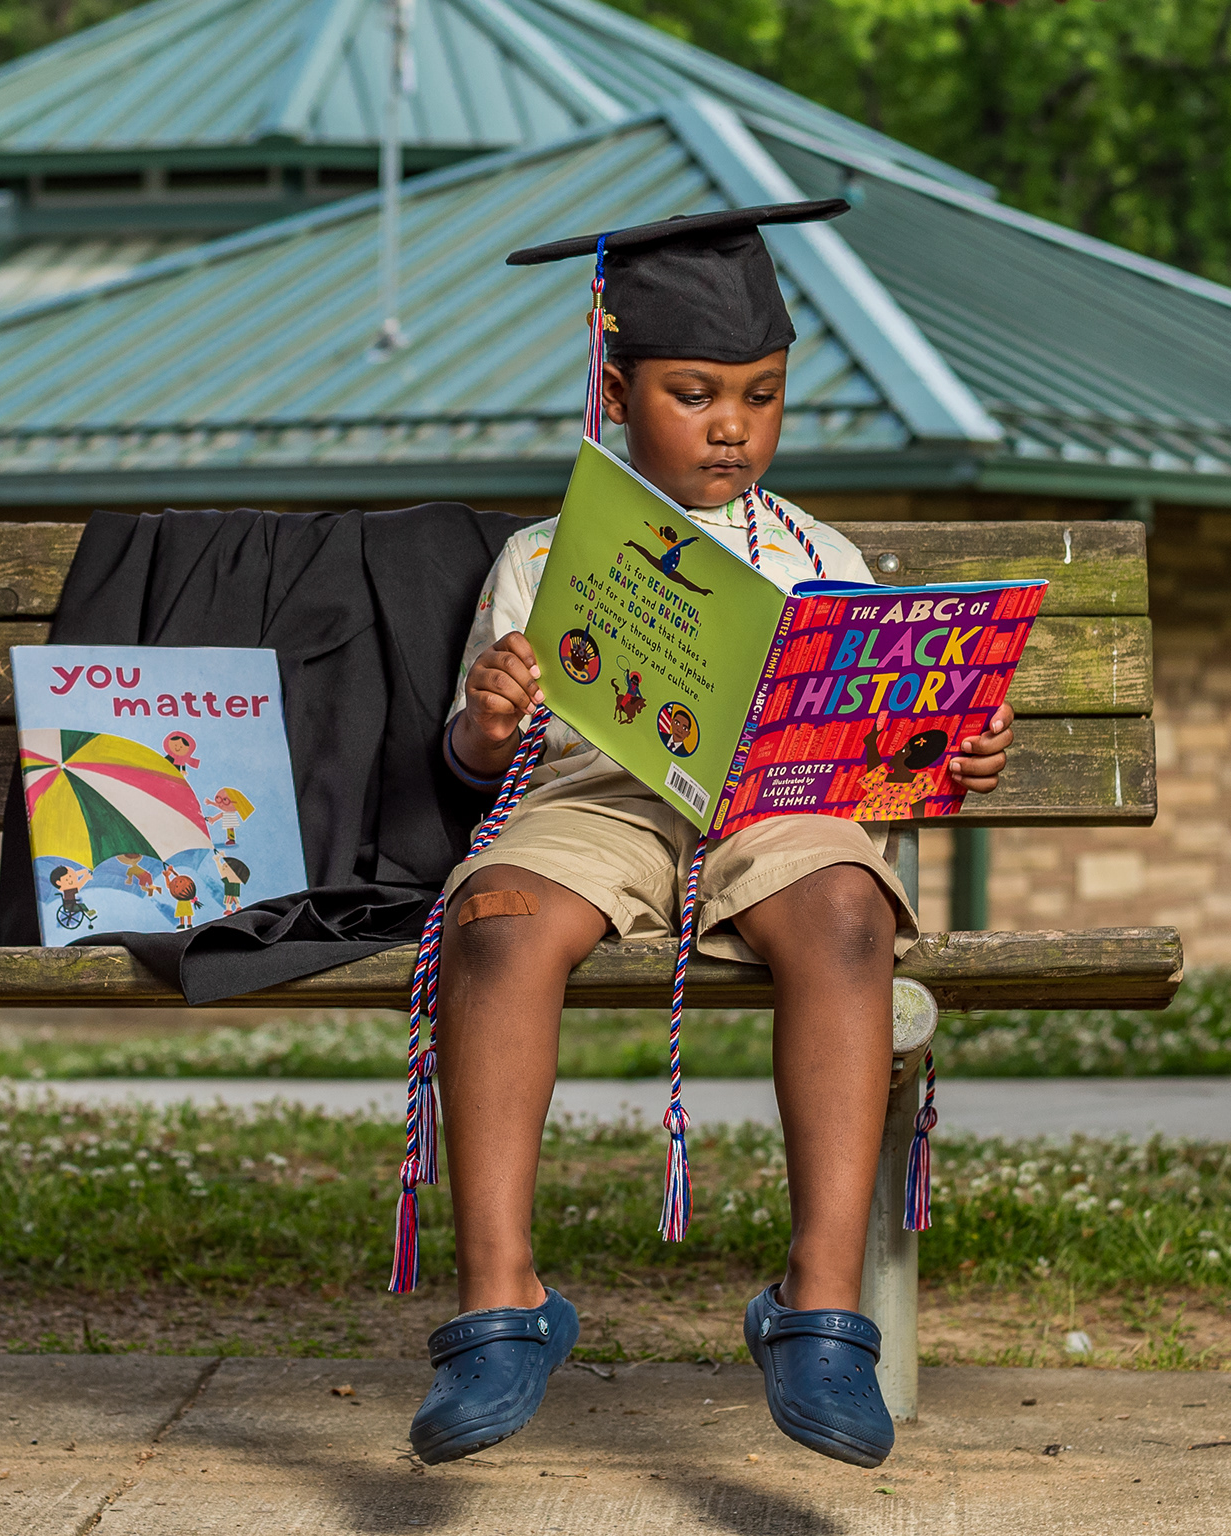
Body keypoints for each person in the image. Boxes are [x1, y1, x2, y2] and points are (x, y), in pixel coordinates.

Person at [409, 201, 1015, 1471]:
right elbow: (474, 769)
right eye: (694, 395)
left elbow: (882, 757)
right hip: (595, 804)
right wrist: (487, 720)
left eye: (763, 396)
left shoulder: (821, 556)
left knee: (848, 913)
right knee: (496, 920)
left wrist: (947, 749)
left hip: (774, 809)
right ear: (616, 391)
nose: (733, 425)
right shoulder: (542, 557)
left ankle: (818, 1313)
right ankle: (502, 1305)